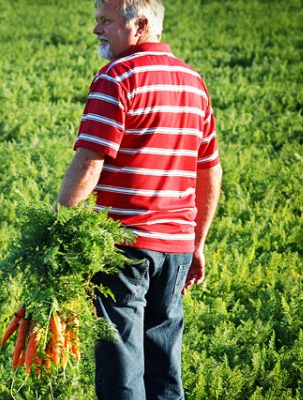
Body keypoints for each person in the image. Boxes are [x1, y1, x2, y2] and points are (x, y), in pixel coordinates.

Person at [55, 0, 223, 398]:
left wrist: (57, 230)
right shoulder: (192, 81)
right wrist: (197, 242)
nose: (97, 30)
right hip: (176, 249)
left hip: (123, 244)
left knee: (121, 369)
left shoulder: (117, 77)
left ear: (141, 25)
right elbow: (209, 168)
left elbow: (89, 162)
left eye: (106, 22)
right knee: (164, 365)